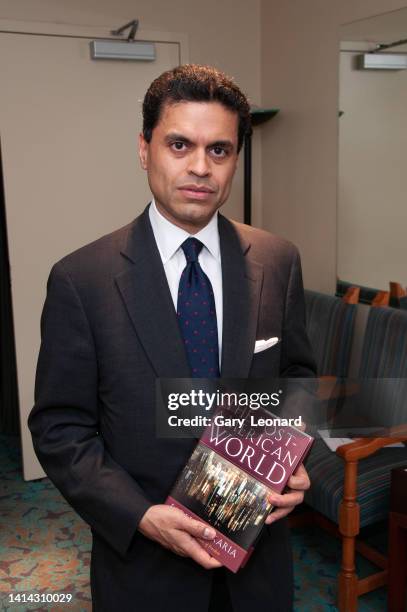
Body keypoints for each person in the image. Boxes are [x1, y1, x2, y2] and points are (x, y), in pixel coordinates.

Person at [28, 64, 316, 612]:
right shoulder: (81, 280)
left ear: (235, 159)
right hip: (145, 570)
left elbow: (297, 377)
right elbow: (60, 427)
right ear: (144, 149)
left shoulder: (278, 261)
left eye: (219, 150)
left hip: (258, 565)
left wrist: (291, 455)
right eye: (179, 144)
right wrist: (138, 516)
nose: (199, 168)